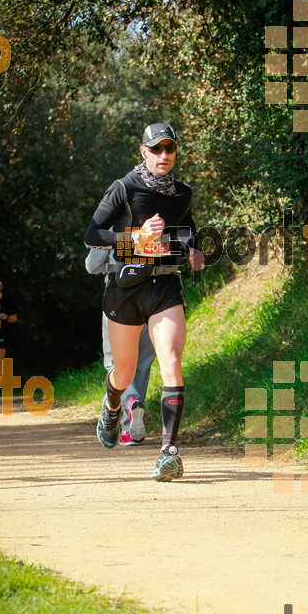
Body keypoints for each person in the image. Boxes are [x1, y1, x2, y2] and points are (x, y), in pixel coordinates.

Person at [84, 122, 204, 481]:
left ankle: (169, 453)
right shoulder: (124, 188)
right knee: (123, 372)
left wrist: (195, 253)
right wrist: (135, 237)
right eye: (156, 149)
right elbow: (92, 236)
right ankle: (112, 405)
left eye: (170, 149)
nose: (163, 156)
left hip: (165, 287)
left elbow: (188, 231)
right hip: (125, 289)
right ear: (144, 152)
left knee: (172, 361)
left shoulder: (183, 193)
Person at [85, 247, 155, 445]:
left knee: (116, 362)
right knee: (142, 363)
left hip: (120, 292)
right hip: (157, 292)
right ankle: (130, 428)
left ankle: (128, 409)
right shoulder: (156, 218)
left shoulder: (111, 221)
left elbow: (92, 266)